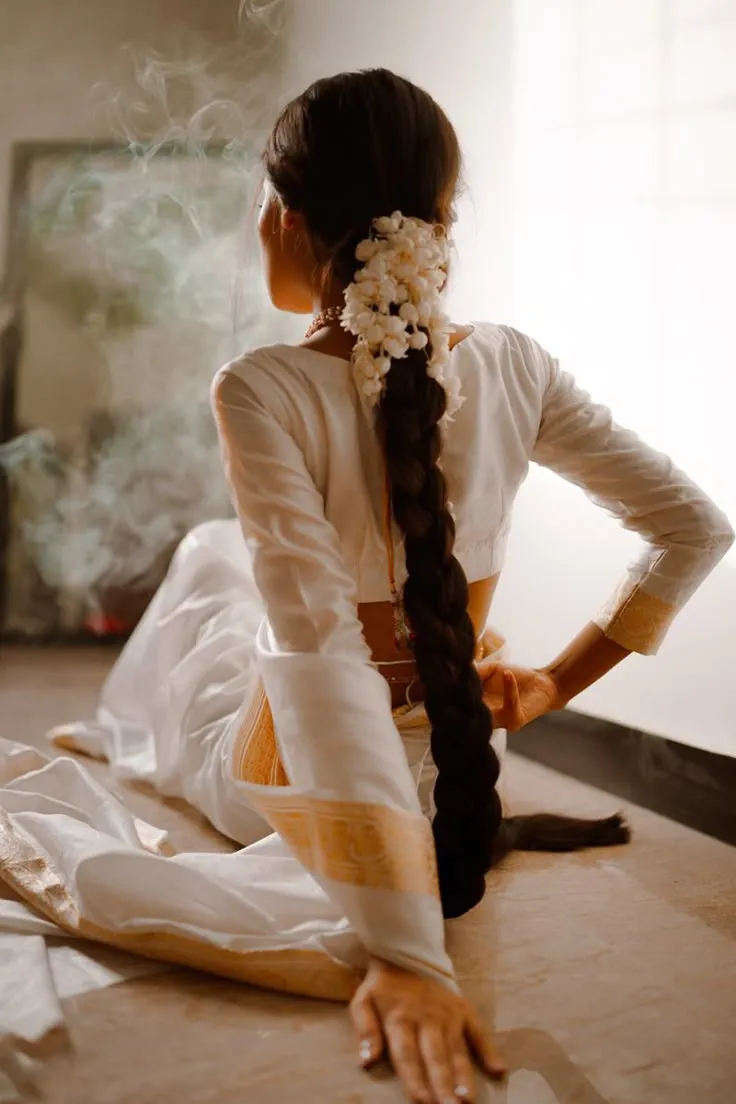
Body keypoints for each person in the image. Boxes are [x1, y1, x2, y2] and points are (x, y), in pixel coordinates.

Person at [1, 69, 733, 1104]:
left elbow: (318, 654)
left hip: (294, 795)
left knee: (210, 564)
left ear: (292, 220)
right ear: (440, 221)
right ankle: (142, 728)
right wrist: (549, 687)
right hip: (455, 767)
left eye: (262, 203)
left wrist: (406, 955)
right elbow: (695, 529)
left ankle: (133, 731)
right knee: (223, 562)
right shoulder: (517, 364)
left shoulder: (261, 386)